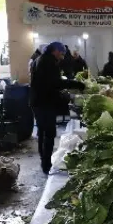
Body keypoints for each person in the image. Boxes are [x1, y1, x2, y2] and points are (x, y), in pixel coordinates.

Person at [30, 42, 85, 174]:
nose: (63, 55)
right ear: (55, 51)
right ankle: (47, 164)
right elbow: (56, 83)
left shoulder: (40, 59)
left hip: (37, 101)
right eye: (62, 52)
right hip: (44, 103)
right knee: (49, 133)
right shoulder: (48, 62)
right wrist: (76, 84)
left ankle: (44, 160)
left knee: (42, 132)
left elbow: (48, 83)